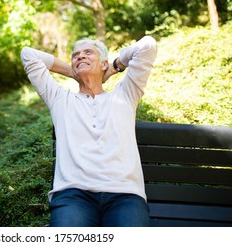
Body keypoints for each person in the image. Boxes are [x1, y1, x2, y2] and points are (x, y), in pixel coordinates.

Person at [20, 36, 157, 227]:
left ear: (104, 63)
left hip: (125, 195)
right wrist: (75, 70)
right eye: (75, 55)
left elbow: (148, 45)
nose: (80, 56)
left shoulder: (126, 95)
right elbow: (28, 54)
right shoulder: (60, 99)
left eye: (88, 53)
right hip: (73, 195)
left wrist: (113, 67)